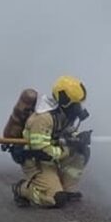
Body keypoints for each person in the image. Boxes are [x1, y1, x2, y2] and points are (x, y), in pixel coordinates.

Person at [12, 75, 91, 208]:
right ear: (65, 101)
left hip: (53, 156)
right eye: (75, 104)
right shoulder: (43, 119)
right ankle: (22, 189)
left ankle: (66, 188)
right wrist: (69, 149)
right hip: (37, 161)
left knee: (82, 152)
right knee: (55, 199)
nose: (78, 108)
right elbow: (44, 151)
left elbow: (68, 132)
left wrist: (79, 138)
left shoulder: (63, 115)